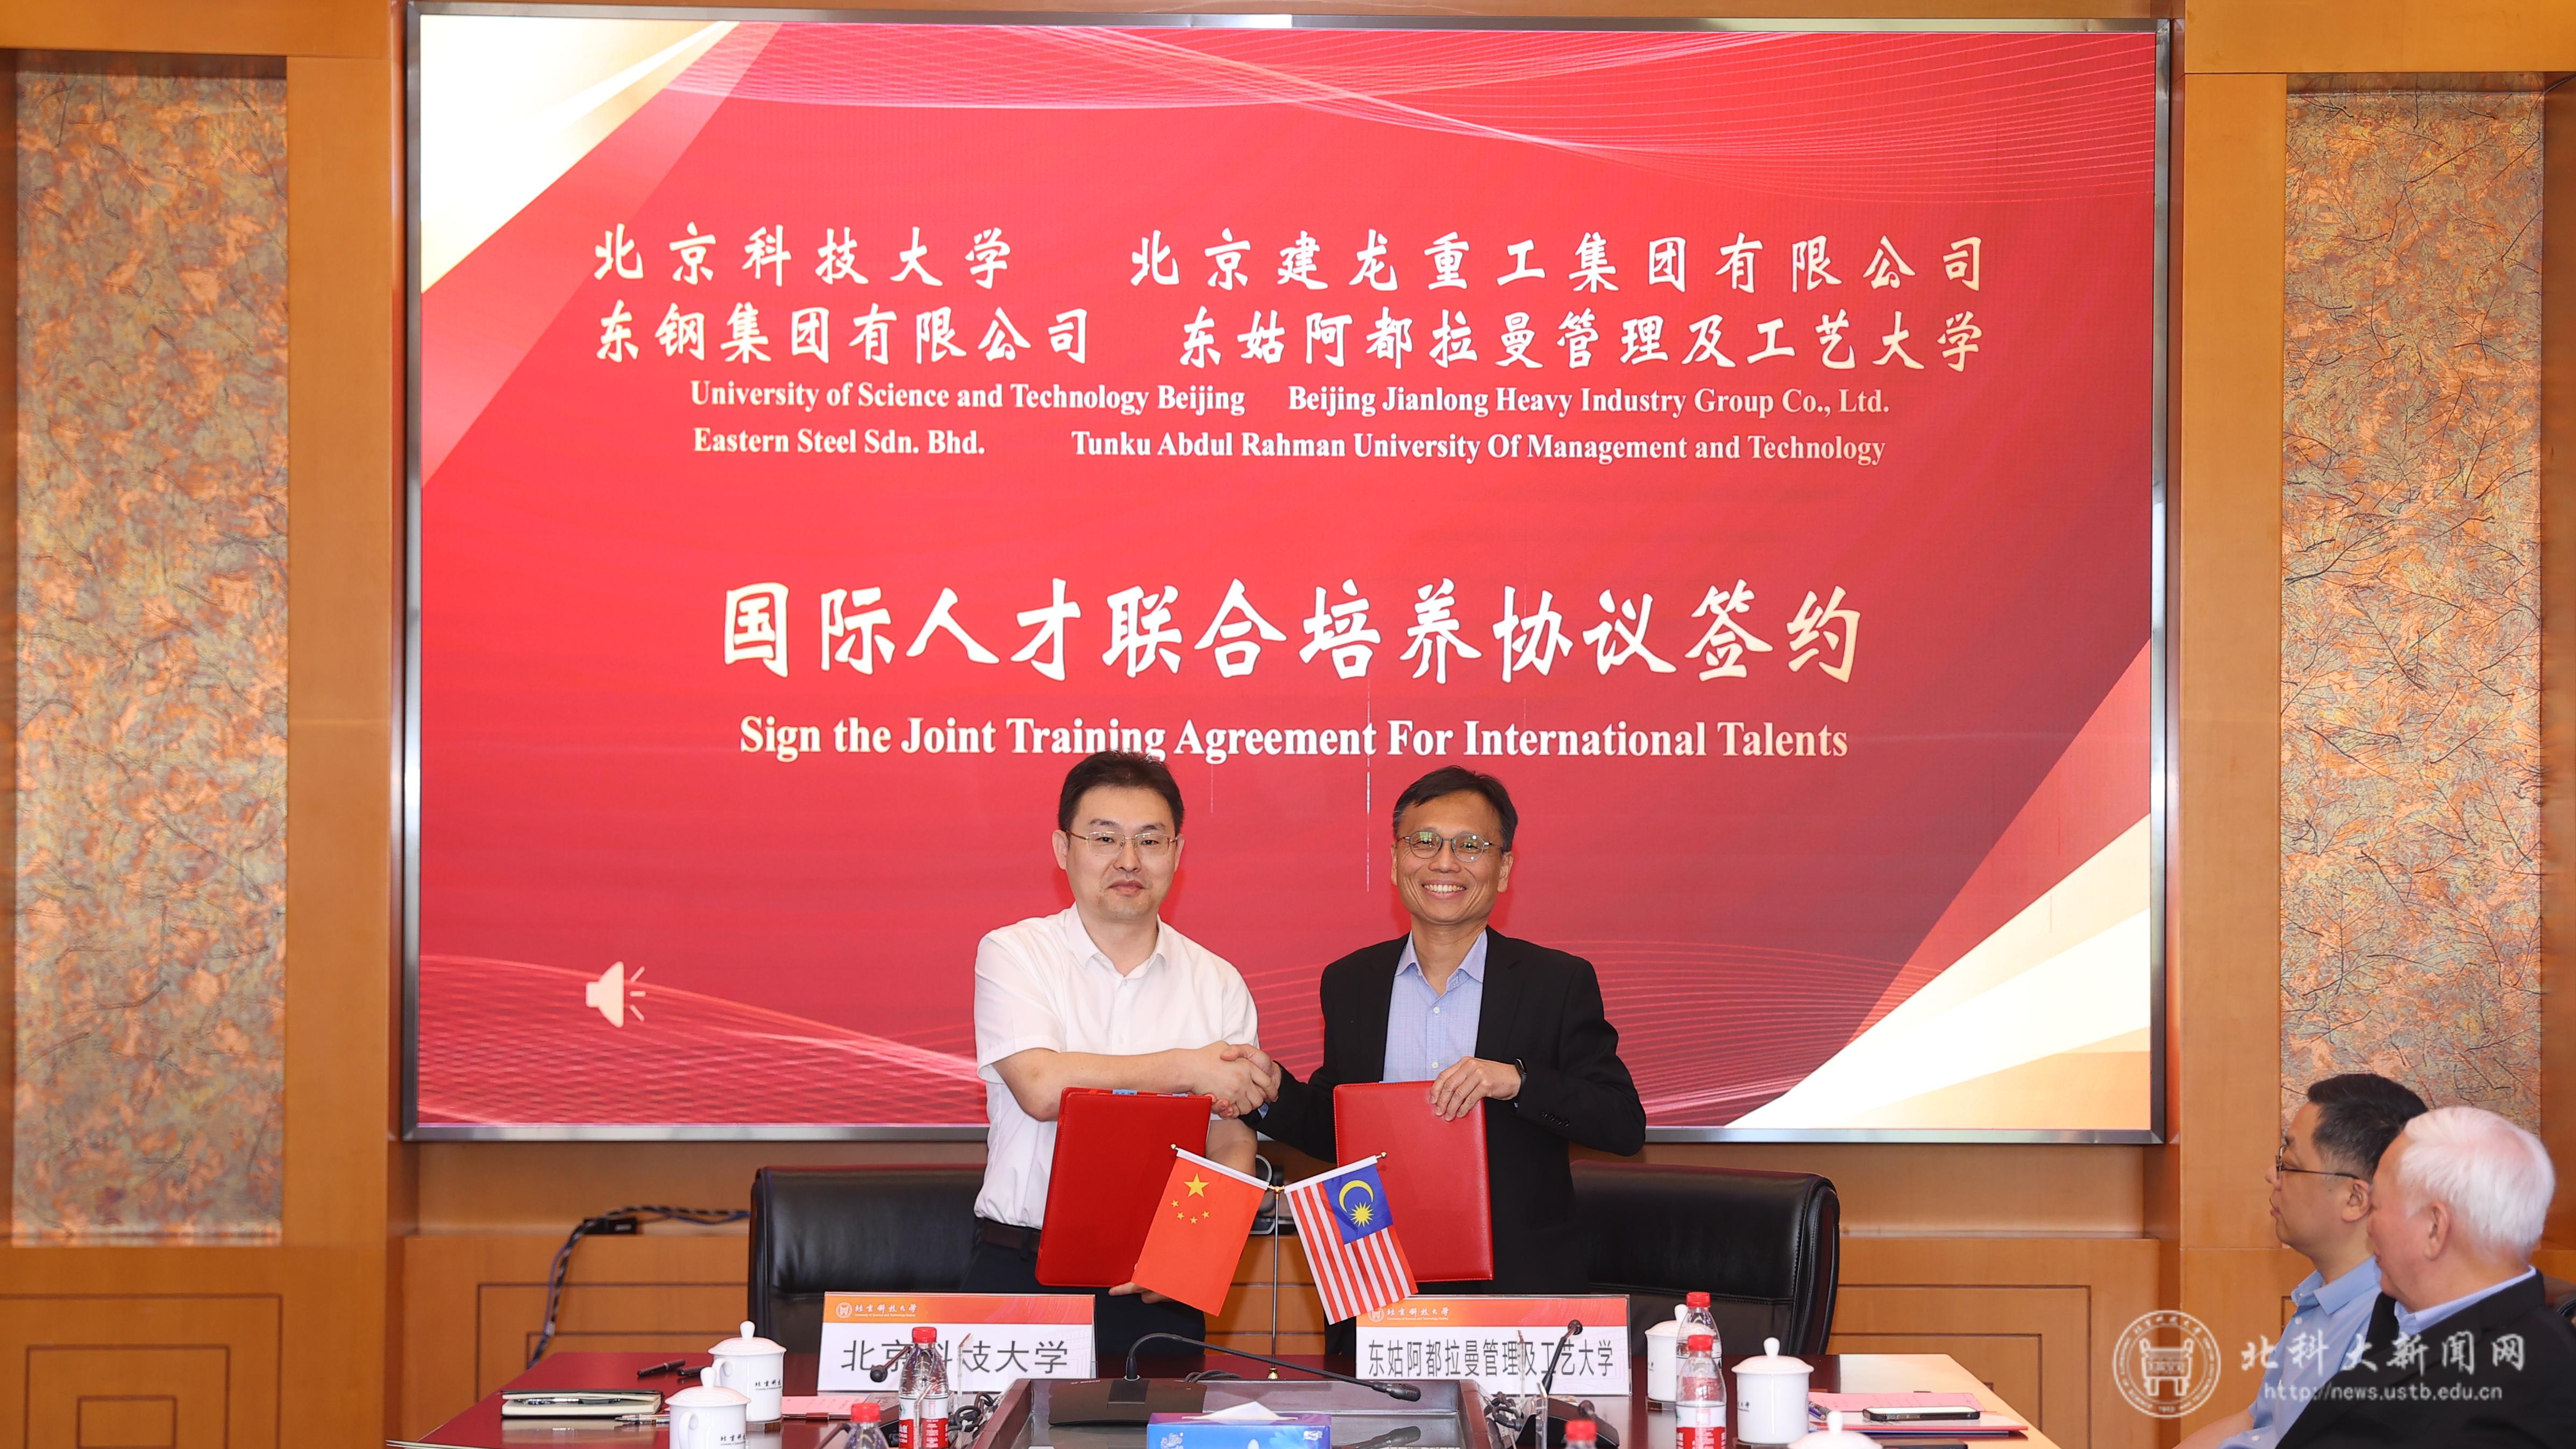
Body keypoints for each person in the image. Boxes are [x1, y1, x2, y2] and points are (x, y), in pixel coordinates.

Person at [1252, 766, 1646, 1295]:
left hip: (1513, 1283)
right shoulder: (1350, 981)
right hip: (1378, 1268)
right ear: (1395, 861)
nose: (1443, 862)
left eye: (1470, 845)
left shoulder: (1555, 982)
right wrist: (1270, 1092)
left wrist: (1518, 1082)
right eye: (1424, 842)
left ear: (1503, 868)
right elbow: (1338, 1127)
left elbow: (1622, 1124)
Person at [961, 751, 1280, 1356]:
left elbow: (1231, 1138)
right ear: (1063, 848)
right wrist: (1188, 1067)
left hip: (1160, 1282)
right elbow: (1041, 1087)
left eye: (1150, 841)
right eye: (1104, 838)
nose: (1128, 861)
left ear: (1177, 853)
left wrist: (1195, 1250)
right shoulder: (1015, 953)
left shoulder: (1217, 982)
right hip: (1022, 1269)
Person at [2277, 1105, 2576, 1447]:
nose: (2370, 1227)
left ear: (2435, 1228)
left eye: (2377, 1207)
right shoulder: (2398, 1315)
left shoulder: (2479, 1410)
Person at [2179, 1073, 2425, 1449]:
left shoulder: (2390, 1326)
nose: (2271, 1175)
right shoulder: (2319, 1297)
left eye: (2289, 1165)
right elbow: (2257, 1420)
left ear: (2355, 1200)